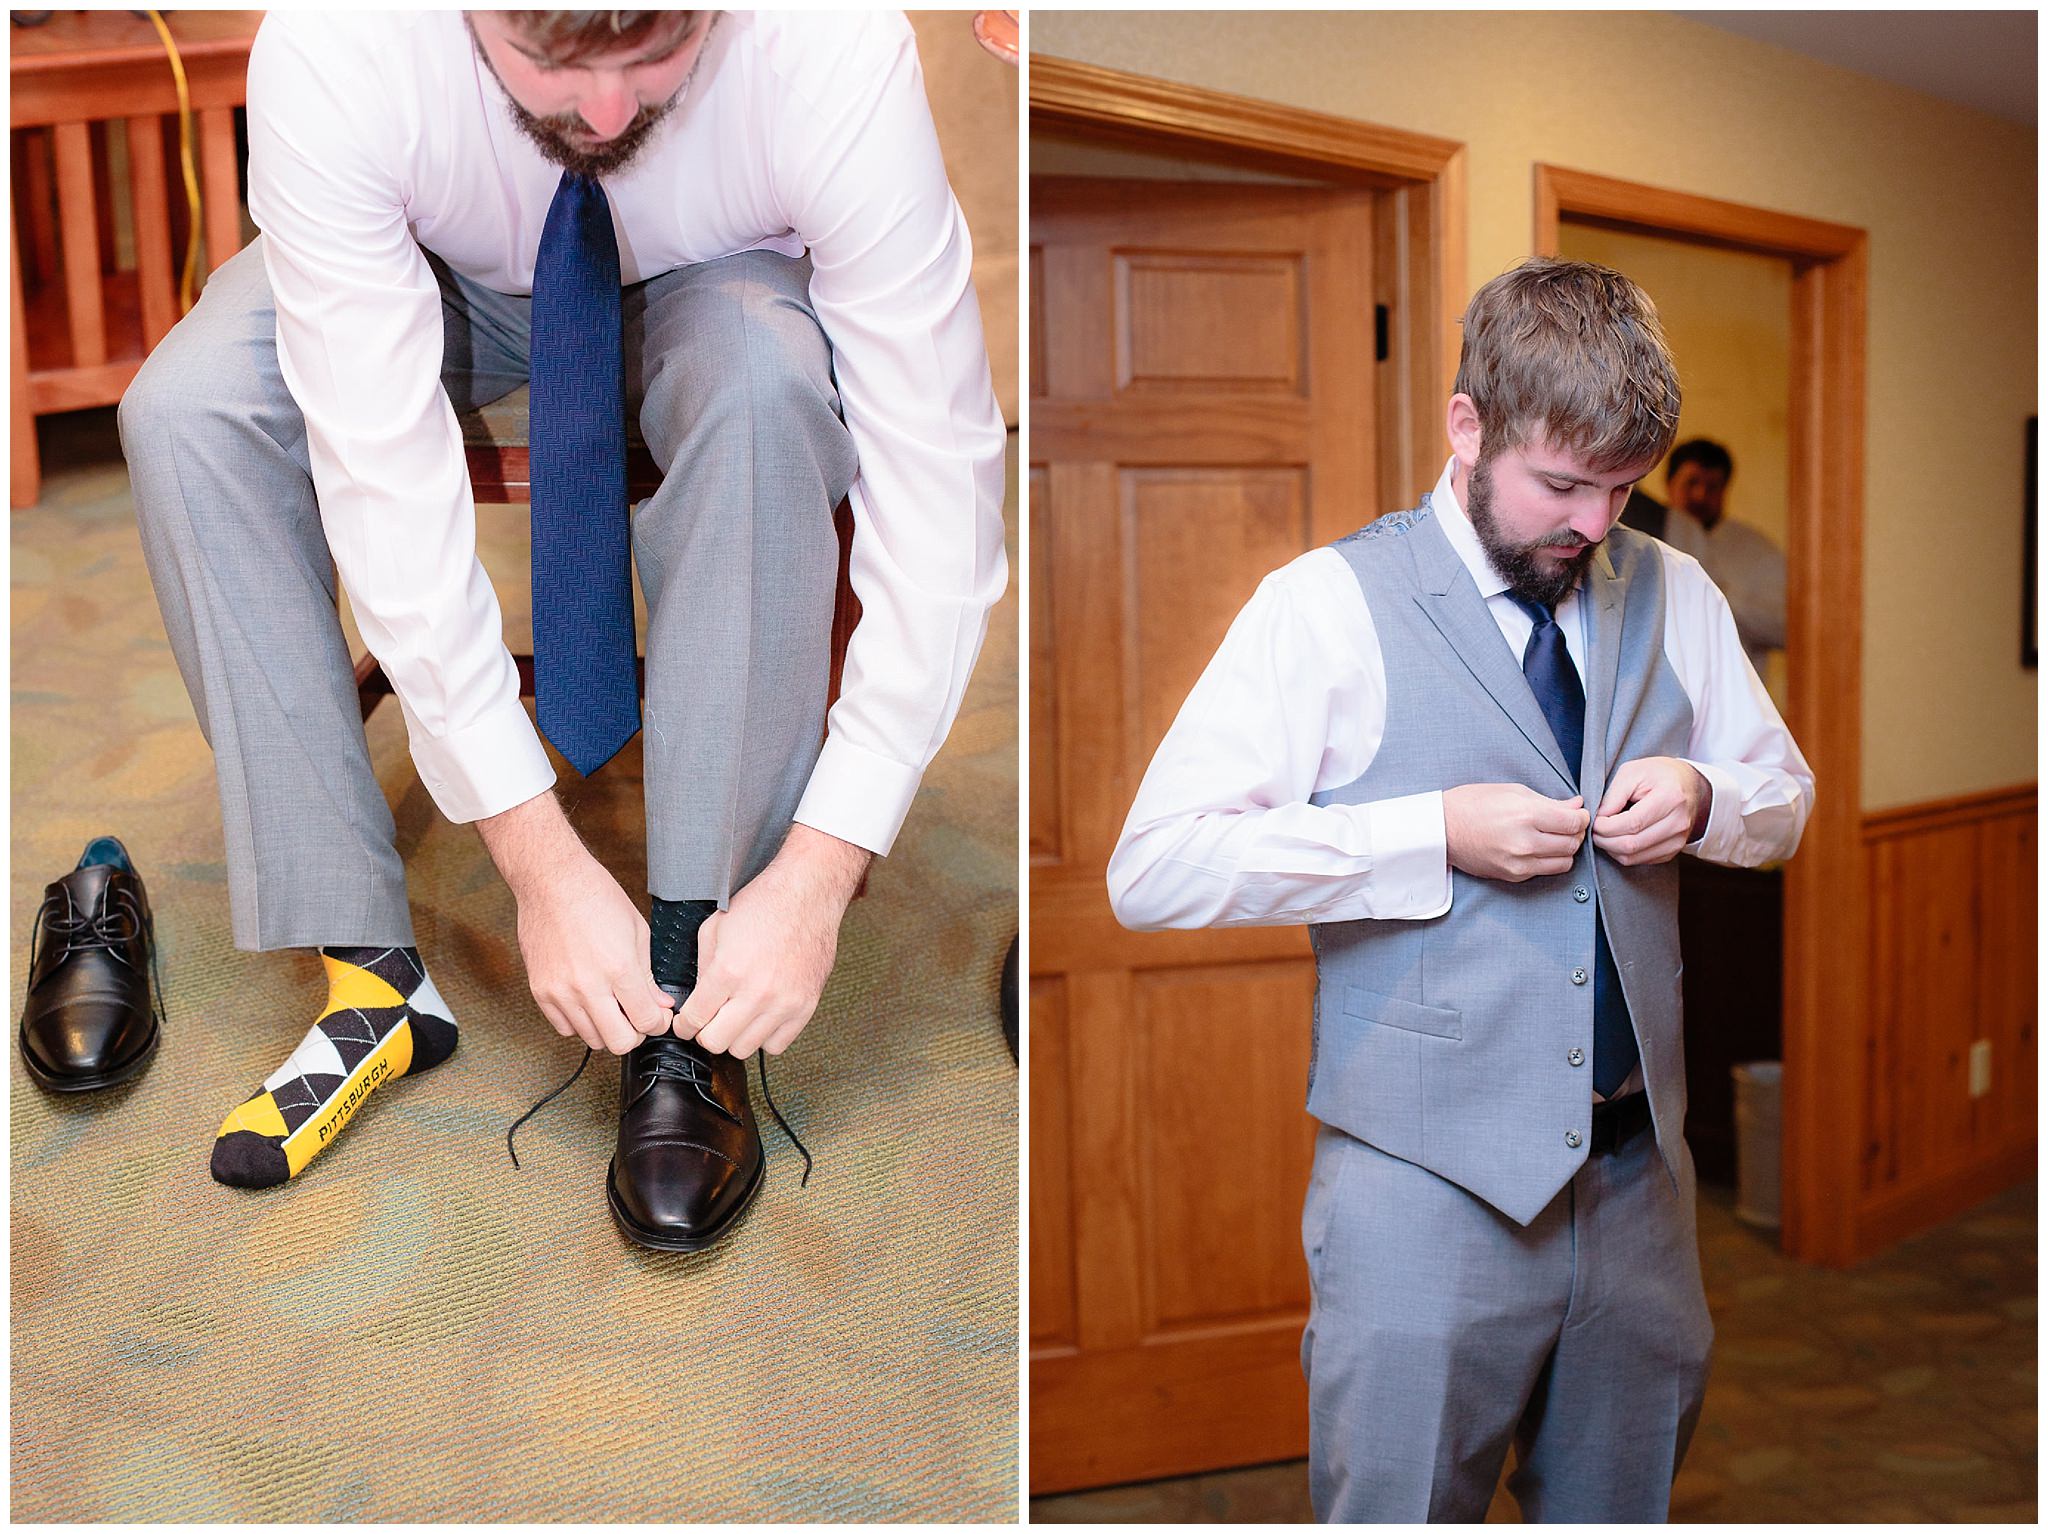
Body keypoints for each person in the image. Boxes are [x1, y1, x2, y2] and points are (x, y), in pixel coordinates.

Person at [118, 10, 1006, 1252]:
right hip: (428, 259)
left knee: (759, 394)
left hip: (718, 267)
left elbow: (940, 476)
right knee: (189, 410)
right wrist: (535, 860)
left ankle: (699, 983)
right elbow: (382, 475)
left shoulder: (831, 43)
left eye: (655, 62)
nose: (602, 116)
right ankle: (375, 975)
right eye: (554, 68)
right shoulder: (338, 38)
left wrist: (823, 866)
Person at [1106, 258, 1812, 1521]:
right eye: (1558, 484)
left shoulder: (1676, 591)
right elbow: (1152, 868)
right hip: (1417, 1197)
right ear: (1465, 425)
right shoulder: (1321, 607)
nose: (1592, 523)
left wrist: (1707, 799)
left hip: (1638, 1186)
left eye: (1617, 488)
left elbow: (1785, 801)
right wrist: (1426, 834)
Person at [1622, 438, 1788, 675]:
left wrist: (1717, 593)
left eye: (1712, 487)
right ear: (1669, 483)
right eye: (1691, 483)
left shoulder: (1756, 550)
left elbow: (1789, 626)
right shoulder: (1642, 540)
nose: (1700, 495)